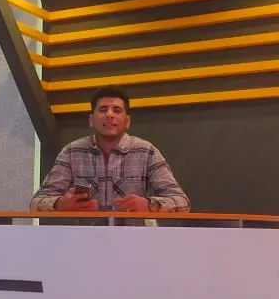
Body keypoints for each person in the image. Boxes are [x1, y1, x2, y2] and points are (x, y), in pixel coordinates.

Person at [30, 87, 190, 214]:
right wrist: (60, 204)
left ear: (127, 121)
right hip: (85, 238)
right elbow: (36, 203)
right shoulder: (72, 152)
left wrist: (149, 205)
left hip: (135, 238)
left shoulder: (146, 152)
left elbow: (182, 202)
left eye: (117, 110)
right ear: (91, 120)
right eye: (103, 109)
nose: (109, 115)